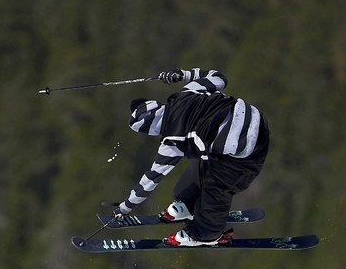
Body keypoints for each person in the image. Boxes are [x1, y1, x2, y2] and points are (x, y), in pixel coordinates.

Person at [116, 68, 270, 247]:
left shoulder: (171, 142)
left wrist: (125, 208)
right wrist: (182, 75)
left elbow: (150, 180)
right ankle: (187, 204)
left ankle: (205, 234)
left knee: (217, 184)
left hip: (248, 151)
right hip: (257, 121)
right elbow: (219, 78)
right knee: (203, 161)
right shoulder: (187, 92)